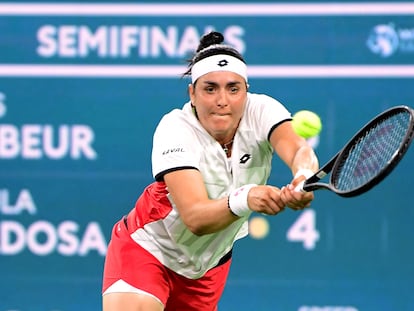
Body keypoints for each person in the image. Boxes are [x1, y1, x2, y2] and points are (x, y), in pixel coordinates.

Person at [102, 31, 319, 311]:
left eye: (233, 88)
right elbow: (195, 217)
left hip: (206, 270)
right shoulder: (175, 129)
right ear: (192, 93)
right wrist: (247, 197)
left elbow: (298, 150)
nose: (222, 100)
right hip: (149, 249)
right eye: (210, 88)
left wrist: (303, 176)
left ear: (246, 91)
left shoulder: (262, 110)